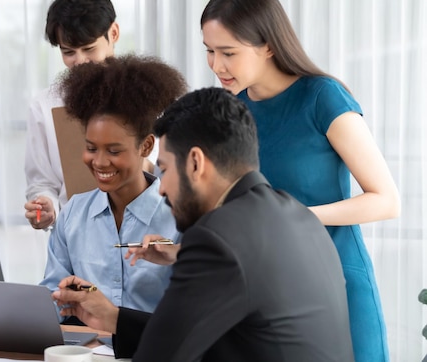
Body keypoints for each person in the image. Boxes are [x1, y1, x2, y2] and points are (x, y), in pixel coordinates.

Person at [52, 87, 354, 361]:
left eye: (165, 169)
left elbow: (162, 354)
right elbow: (201, 337)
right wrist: (116, 318)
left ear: (195, 163)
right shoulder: (298, 216)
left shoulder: (218, 238)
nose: (161, 188)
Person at [200, 0, 400, 362]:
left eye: (228, 52)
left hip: (337, 286)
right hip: (268, 297)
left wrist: (293, 218)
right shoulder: (231, 110)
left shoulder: (322, 96)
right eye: (209, 51)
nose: (216, 65)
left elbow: (386, 200)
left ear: (269, 45)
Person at [40, 55, 187, 317]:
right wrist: (65, 298)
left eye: (114, 150)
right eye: (91, 148)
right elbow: (50, 300)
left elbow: (191, 311)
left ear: (146, 146)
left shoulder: (178, 218)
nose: (99, 162)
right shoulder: (74, 213)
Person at [24, 0, 120, 230]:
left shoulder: (149, 94)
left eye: (89, 49)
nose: (80, 61)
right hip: (76, 235)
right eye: (68, 53)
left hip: (140, 237)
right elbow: (43, 182)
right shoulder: (46, 105)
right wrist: (46, 207)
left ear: (114, 33)